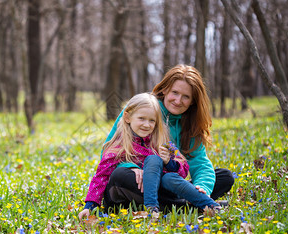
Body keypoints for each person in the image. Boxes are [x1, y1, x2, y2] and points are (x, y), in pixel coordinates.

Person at [92, 64, 234, 215]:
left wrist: (202, 188)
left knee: (225, 177)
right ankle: (190, 205)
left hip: (166, 181)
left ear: (193, 100)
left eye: (186, 96)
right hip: (135, 182)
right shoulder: (142, 107)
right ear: (165, 89)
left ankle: (189, 201)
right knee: (121, 177)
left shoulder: (189, 124)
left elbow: (198, 163)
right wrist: (130, 167)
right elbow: (109, 151)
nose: (178, 101)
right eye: (175, 93)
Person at [78, 93, 221, 221]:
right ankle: (164, 206)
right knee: (125, 172)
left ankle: (209, 205)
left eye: (152, 121)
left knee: (171, 176)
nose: (146, 125)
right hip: (126, 195)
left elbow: (183, 168)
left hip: (158, 189)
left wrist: (169, 163)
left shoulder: (164, 142)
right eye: (141, 118)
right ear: (127, 117)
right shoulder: (118, 145)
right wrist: (90, 205)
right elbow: (101, 176)